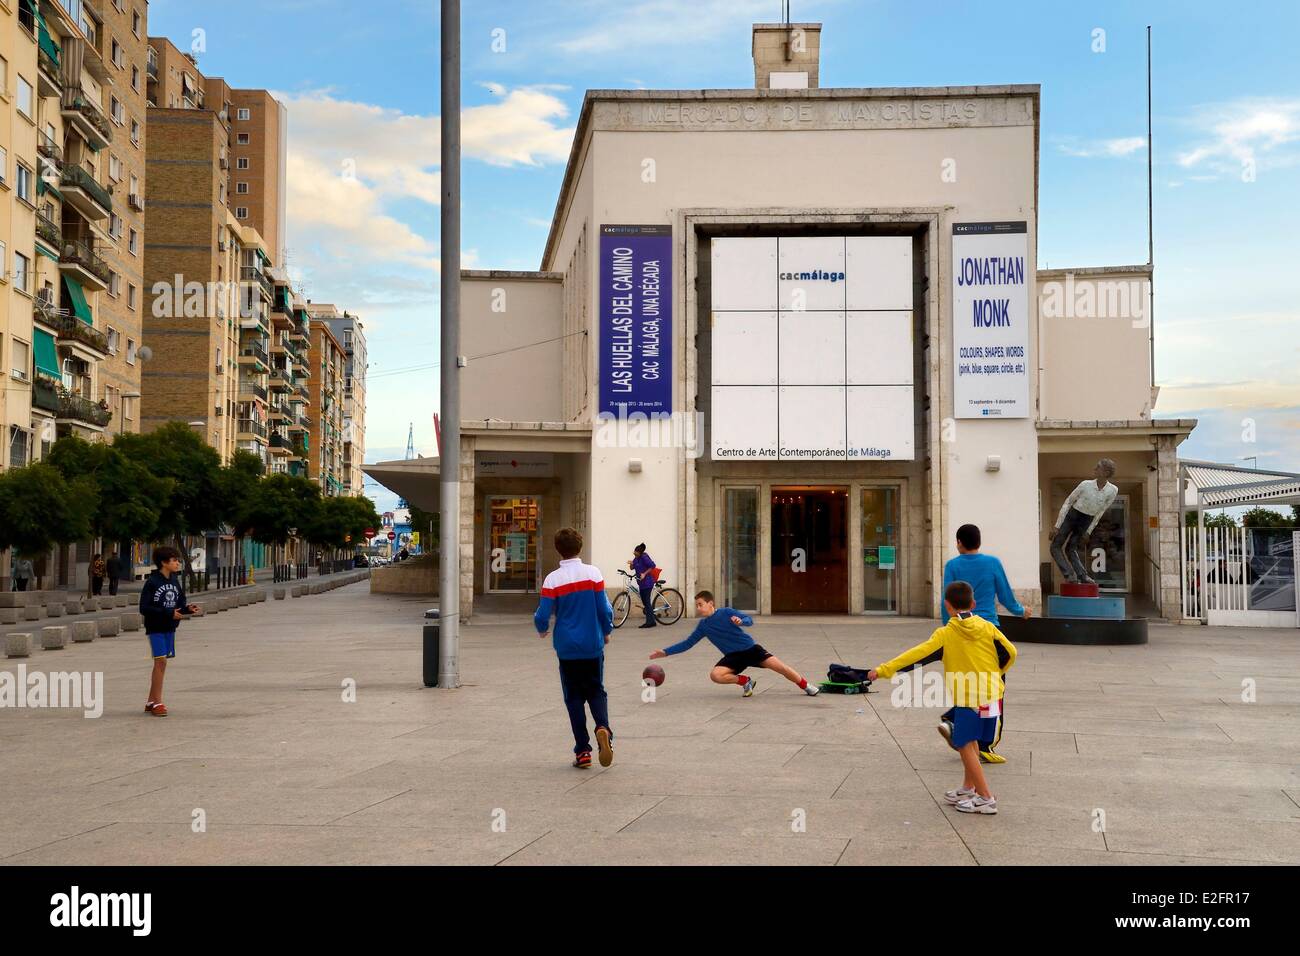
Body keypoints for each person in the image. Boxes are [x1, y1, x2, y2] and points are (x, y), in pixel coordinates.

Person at [869, 581, 1017, 815]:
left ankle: (986, 798)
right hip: (992, 695)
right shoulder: (988, 627)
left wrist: (884, 670)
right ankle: (968, 789)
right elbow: (1010, 652)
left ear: (947, 606)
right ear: (974, 604)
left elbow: (916, 655)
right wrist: (996, 674)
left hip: (968, 699)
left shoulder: (946, 634)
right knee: (973, 743)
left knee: (964, 744)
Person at [534, 527, 615, 769]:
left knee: (574, 697)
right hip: (592, 643)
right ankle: (603, 727)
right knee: (596, 690)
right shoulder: (593, 573)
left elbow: (543, 613)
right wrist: (607, 630)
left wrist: (542, 628)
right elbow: (604, 608)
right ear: (580, 547)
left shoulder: (552, 579)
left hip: (567, 646)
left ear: (558, 550)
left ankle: (583, 751)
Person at [649, 591, 820, 697]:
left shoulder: (726, 612)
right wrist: (665, 652)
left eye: (701, 604)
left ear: (711, 603)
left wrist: (741, 621)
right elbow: (687, 643)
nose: (699, 608)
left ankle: (806, 686)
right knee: (715, 675)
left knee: (781, 668)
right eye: (697, 605)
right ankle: (745, 681)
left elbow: (749, 619)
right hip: (733, 657)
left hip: (751, 650)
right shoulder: (703, 626)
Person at [139, 546, 201, 717]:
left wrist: (188, 609)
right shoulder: (152, 582)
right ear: (163, 563)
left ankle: (151, 701)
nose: (177, 563)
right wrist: (168, 613)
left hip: (170, 628)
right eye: (174, 560)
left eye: (177, 560)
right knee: (161, 662)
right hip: (156, 627)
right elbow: (144, 608)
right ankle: (158, 703)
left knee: (161, 663)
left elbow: (179, 603)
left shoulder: (174, 580)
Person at [1051, 458, 1119, 585]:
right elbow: (1068, 502)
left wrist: (1088, 531)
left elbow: (1101, 511)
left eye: (1098, 467)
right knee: (1055, 546)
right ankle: (1069, 575)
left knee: (1071, 548)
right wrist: (1057, 525)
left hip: (1086, 520)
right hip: (1072, 515)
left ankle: (1083, 576)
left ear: (1105, 472)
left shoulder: (1113, 490)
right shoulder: (1085, 484)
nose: (1094, 468)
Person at [628, 543, 660, 628]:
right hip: (641, 583)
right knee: (645, 602)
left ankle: (649, 622)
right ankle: (652, 621)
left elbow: (653, 566)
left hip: (648, 582)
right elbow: (632, 568)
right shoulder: (636, 558)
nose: (634, 554)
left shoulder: (644, 557)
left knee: (647, 602)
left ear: (640, 553)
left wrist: (644, 574)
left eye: (636, 553)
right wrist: (631, 564)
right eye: (634, 553)